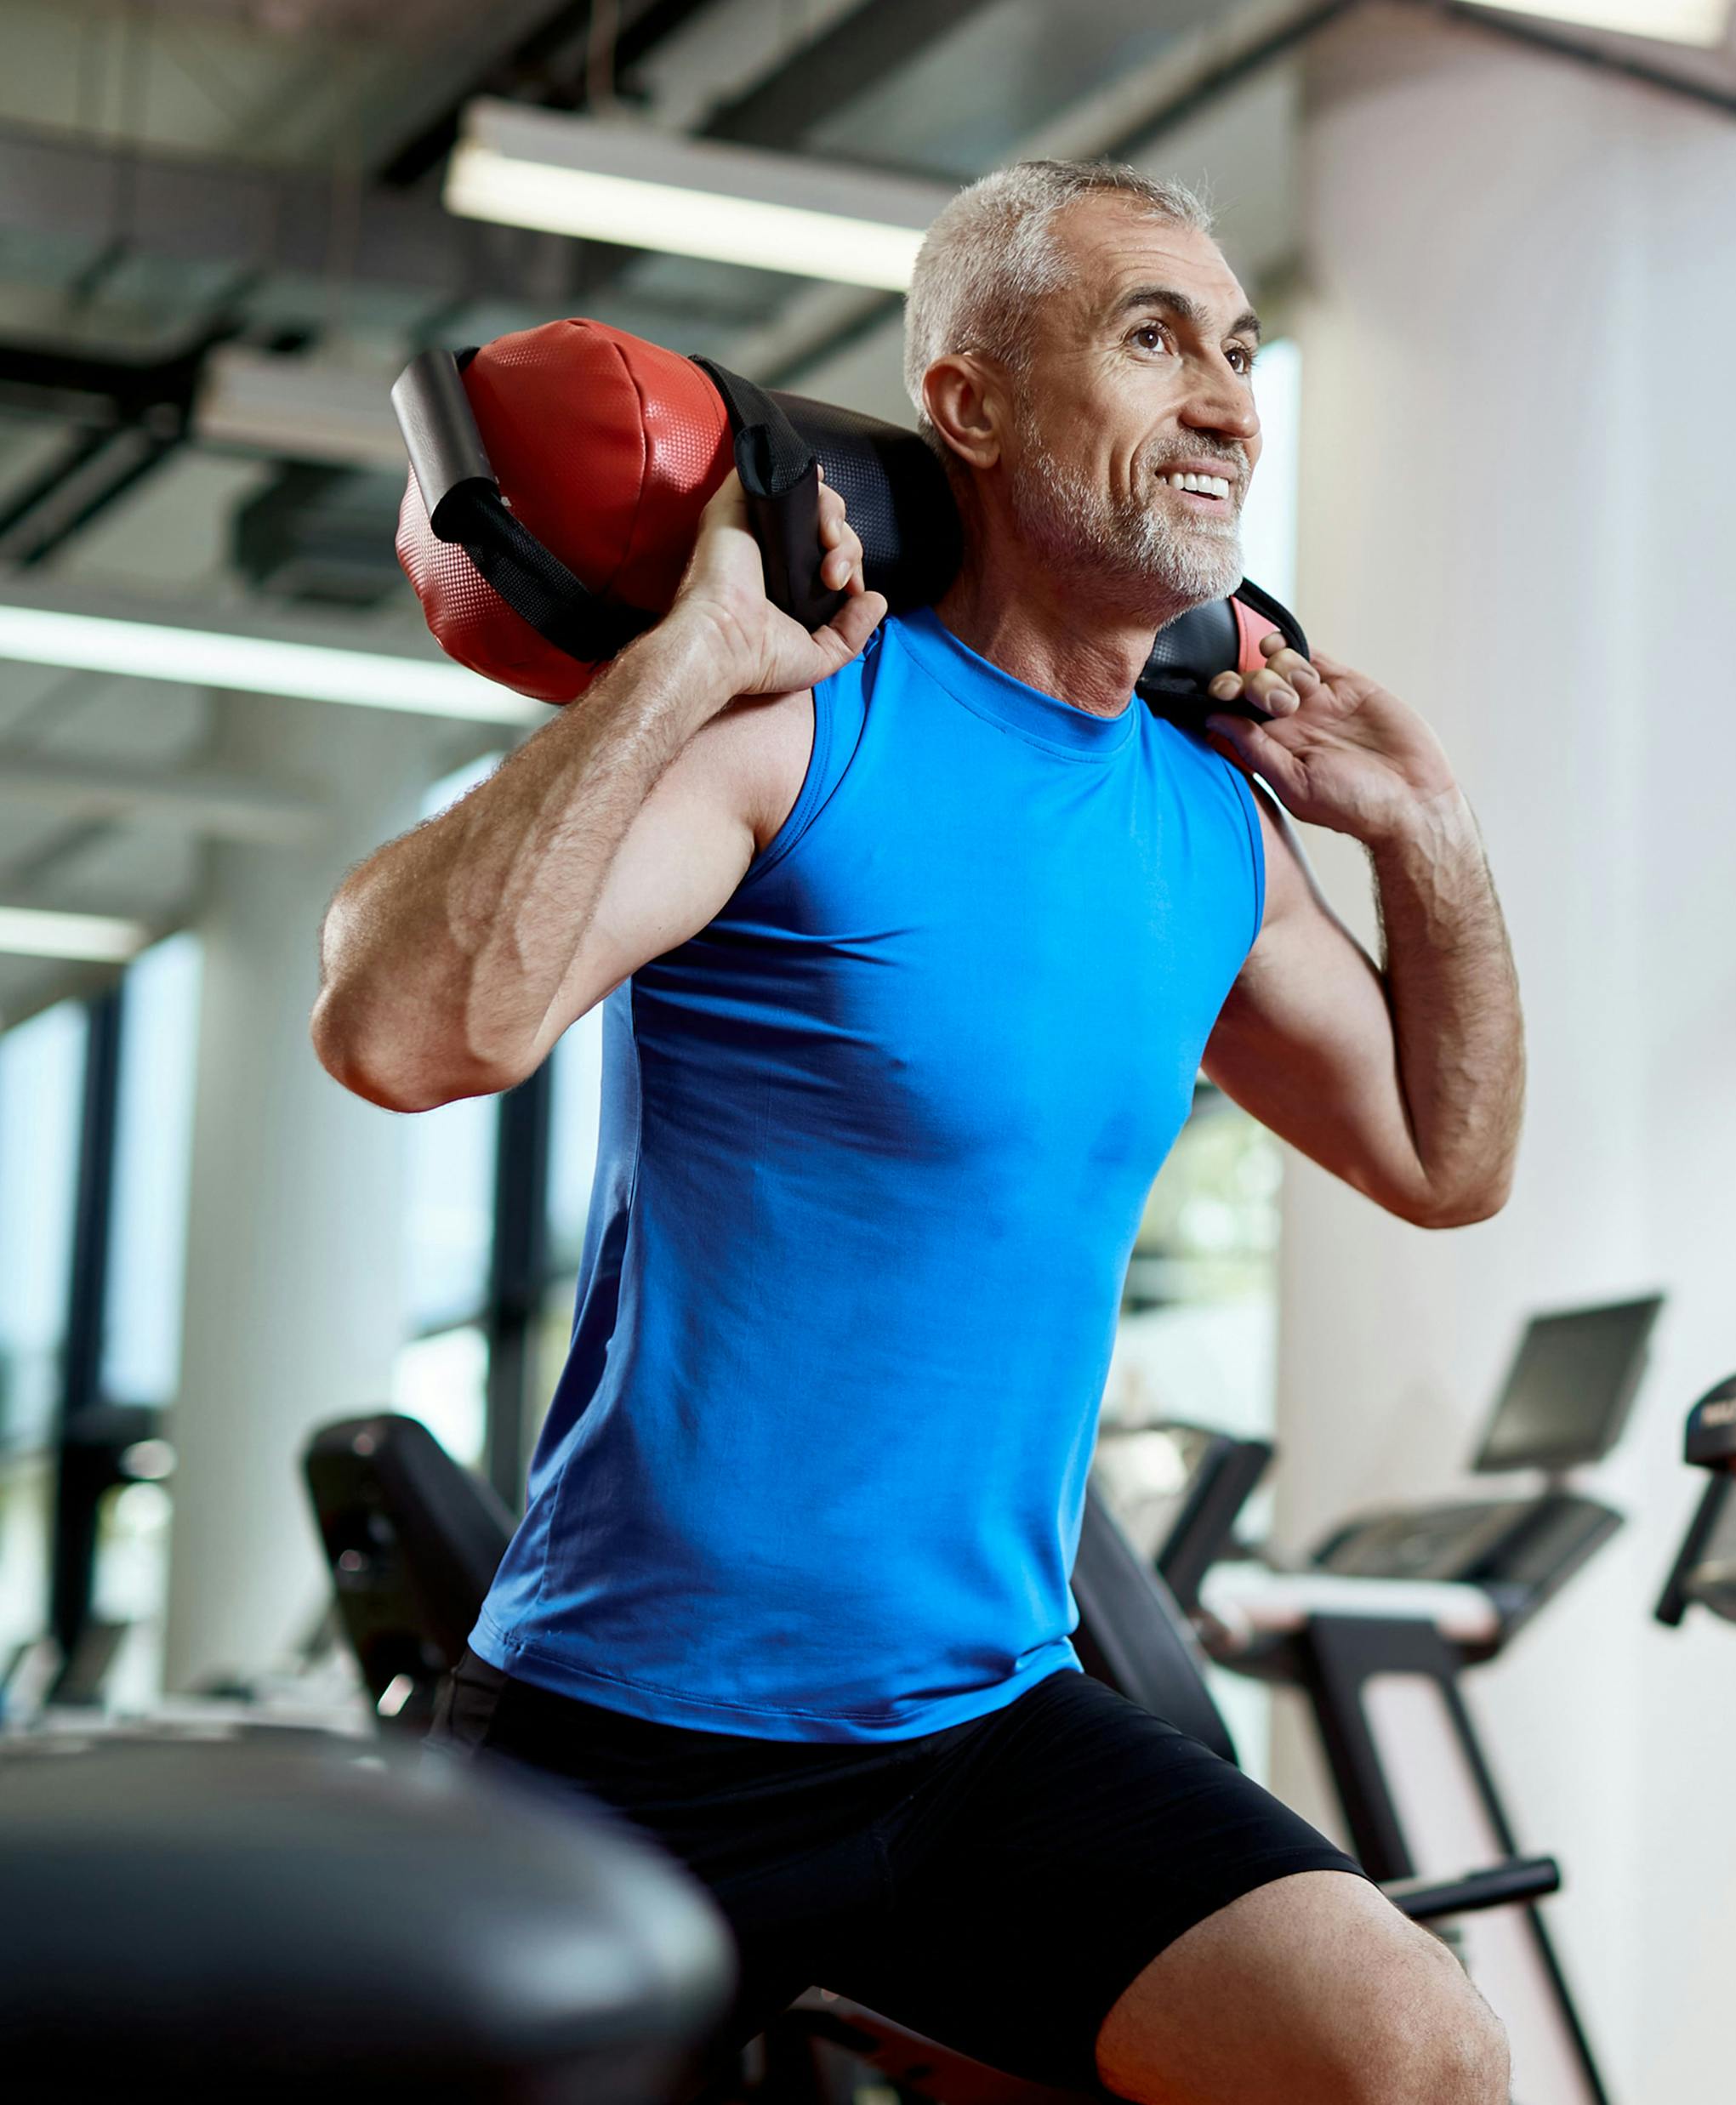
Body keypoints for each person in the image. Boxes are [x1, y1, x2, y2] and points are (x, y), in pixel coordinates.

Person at [313, 160, 1523, 2105]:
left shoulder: (1209, 827)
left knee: (1414, 2059)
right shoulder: (809, 723)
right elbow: (393, 1027)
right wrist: (685, 664)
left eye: (1233, 344)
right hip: (620, 1741)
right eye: (1148, 338)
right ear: (961, 405)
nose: (1224, 394)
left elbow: (1441, 1157)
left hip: (981, 1738)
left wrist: (1427, 836)